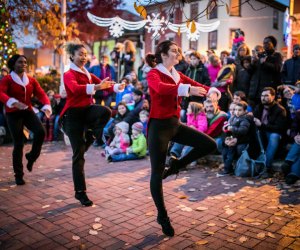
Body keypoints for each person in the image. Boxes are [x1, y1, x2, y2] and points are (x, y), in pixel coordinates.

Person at [146, 40, 216, 237]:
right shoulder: (153, 73)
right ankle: (162, 216)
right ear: (163, 54)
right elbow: (160, 88)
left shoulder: (178, 74)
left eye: (178, 51)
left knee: (209, 144)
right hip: (158, 128)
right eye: (175, 51)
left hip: (175, 125)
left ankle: (176, 165)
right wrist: (186, 90)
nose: (179, 54)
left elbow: (197, 85)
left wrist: (211, 91)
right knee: (156, 174)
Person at [61, 43, 125, 206]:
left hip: (87, 111)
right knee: (78, 155)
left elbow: (104, 83)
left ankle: (93, 134)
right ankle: (80, 193)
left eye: (85, 54)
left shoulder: (87, 73)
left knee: (105, 111)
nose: (83, 57)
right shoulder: (68, 74)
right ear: (72, 57)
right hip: (73, 116)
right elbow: (75, 89)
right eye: (80, 54)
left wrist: (117, 86)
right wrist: (97, 86)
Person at [0, 54, 52, 185]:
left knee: (41, 132)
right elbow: (1, 93)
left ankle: (31, 156)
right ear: (13, 64)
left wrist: (46, 105)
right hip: (13, 114)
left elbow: (41, 93)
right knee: (19, 143)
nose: (23, 64)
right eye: (20, 62)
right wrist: (13, 102)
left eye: (25, 62)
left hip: (27, 111)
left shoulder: (31, 80)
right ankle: (19, 175)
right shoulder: (7, 79)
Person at [253, 87, 287, 176]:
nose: (263, 98)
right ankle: (252, 163)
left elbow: (279, 128)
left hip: (273, 133)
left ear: (273, 96)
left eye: (266, 96)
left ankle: (266, 167)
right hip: (261, 132)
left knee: (274, 136)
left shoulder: (280, 109)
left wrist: (262, 125)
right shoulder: (259, 107)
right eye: (262, 96)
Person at [248, 36, 283, 108]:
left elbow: (277, 69)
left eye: (267, 43)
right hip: (255, 91)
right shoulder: (260, 55)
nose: (265, 44)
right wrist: (252, 63)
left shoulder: (277, 56)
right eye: (264, 43)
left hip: (267, 90)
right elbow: (250, 72)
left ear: (273, 44)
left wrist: (264, 63)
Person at [219, 101, 252, 176]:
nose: (236, 112)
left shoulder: (245, 119)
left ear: (245, 111)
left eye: (239, 110)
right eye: (236, 110)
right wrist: (226, 134)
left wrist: (232, 128)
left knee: (230, 156)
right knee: (225, 153)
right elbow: (227, 130)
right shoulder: (232, 118)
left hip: (239, 141)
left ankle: (228, 169)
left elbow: (243, 130)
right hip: (231, 140)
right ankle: (227, 167)